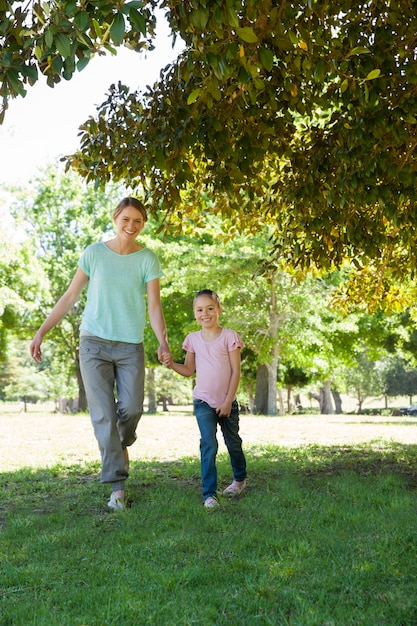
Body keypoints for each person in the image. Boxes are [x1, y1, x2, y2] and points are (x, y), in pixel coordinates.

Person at [30, 197, 170, 511]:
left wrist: (163, 342)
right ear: (115, 218)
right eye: (126, 219)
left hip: (130, 346)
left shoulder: (148, 259)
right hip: (93, 343)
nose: (131, 226)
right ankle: (117, 488)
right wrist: (42, 331)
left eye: (137, 221)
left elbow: (154, 306)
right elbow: (70, 296)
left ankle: (120, 446)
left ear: (143, 224)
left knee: (132, 408)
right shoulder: (94, 253)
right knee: (104, 416)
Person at [163, 289, 247, 509]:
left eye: (210, 308)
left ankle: (239, 480)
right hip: (203, 402)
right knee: (208, 444)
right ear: (194, 313)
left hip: (226, 401)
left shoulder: (230, 336)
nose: (205, 313)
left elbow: (236, 372)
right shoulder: (192, 340)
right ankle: (209, 494)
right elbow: (189, 370)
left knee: (233, 443)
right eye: (200, 310)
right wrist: (171, 364)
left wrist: (228, 401)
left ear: (219, 310)